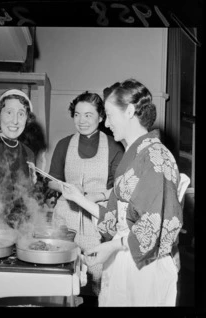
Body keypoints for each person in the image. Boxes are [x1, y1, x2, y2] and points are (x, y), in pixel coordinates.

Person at [60, 79, 183, 307]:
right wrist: (78, 198)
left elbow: (152, 226)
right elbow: (117, 219)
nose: (106, 123)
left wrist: (112, 246)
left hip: (145, 266)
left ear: (129, 111)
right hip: (127, 257)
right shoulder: (135, 154)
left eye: (108, 115)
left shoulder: (156, 156)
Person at [47, 91, 124, 303]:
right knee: (64, 279)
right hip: (65, 221)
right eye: (77, 114)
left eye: (89, 115)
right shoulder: (64, 144)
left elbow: (120, 187)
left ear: (101, 117)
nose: (82, 121)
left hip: (96, 221)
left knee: (95, 282)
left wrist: (95, 194)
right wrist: (65, 187)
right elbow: (51, 180)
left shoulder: (113, 145)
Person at [0, 89, 39, 230]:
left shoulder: (28, 152)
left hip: (18, 228)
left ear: (27, 119)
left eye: (21, 114)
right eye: (9, 112)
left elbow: (26, 197)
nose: (15, 120)